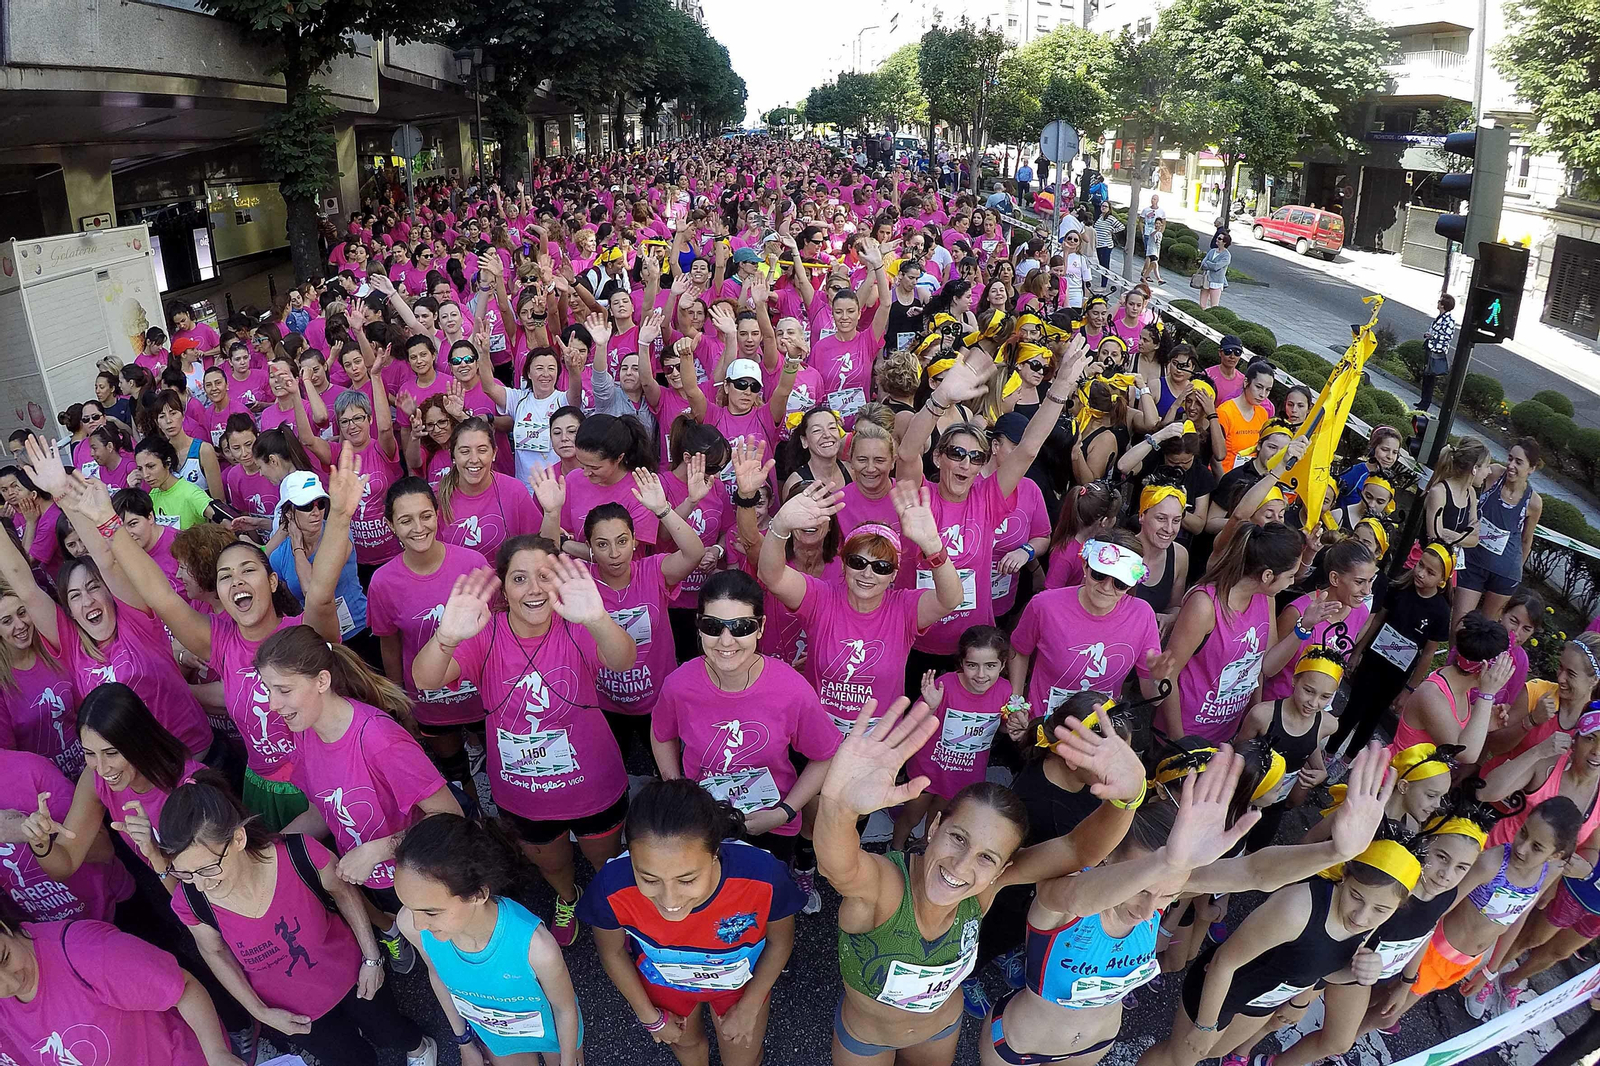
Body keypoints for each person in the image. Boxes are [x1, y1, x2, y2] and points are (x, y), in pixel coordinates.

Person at [983, 741, 1395, 1066]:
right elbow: (1080, 893)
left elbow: (1252, 873)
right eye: (1139, 888)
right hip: (1018, 1045)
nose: (1149, 910)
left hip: (1095, 1046)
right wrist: (1167, 863)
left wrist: (1334, 853)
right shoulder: (1061, 899)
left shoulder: (1167, 884)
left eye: (1165, 894)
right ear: (1106, 860)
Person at [820, 695, 1147, 1066]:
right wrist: (838, 806)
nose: (961, 867)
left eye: (987, 858)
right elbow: (839, 866)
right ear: (936, 825)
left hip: (940, 1030)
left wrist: (1129, 798)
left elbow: (1076, 850)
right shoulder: (885, 887)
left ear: (1003, 869)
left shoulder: (985, 890)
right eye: (958, 838)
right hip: (867, 1040)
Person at [49, 447, 353, 828]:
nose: (237, 581)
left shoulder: (300, 631)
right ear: (218, 591)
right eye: (225, 576)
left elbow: (322, 593)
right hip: (260, 785)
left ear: (272, 581)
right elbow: (160, 595)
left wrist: (339, 518)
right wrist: (107, 522)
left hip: (327, 782)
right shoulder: (220, 642)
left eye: (248, 570)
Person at [411, 538, 637, 947]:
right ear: (503, 588)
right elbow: (426, 680)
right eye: (519, 579)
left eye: (544, 577)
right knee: (551, 861)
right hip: (524, 793)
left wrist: (599, 618)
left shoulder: (577, 622)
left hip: (593, 783)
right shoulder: (486, 634)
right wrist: (446, 637)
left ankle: (611, 903)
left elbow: (623, 659)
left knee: (604, 858)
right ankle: (568, 896)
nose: (533, 589)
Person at [159, 780, 438, 1066]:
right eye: (186, 874)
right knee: (349, 1059)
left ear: (238, 839)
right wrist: (259, 1011)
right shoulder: (193, 901)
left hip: (350, 974)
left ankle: (418, 1047)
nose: (201, 885)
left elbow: (344, 893)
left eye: (208, 868)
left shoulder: (298, 854)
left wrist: (372, 958)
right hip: (293, 1010)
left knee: (390, 1030)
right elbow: (213, 951)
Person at [256, 625, 462, 971]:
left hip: (424, 878)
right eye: (268, 690)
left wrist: (379, 849)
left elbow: (449, 816)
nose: (273, 705)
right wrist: (269, 849)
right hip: (372, 878)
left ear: (322, 681)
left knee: (449, 964)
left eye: (284, 690)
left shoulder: (379, 739)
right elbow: (323, 810)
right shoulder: (306, 734)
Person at [582, 778, 803, 1066]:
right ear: (631, 858)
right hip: (664, 984)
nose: (669, 899)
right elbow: (611, 952)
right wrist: (649, 1017)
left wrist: (750, 1008)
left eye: (687, 879)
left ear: (715, 853)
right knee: (687, 1048)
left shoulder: (763, 877)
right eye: (648, 879)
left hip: (741, 987)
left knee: (743, 1058)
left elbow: (780, 941)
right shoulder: (611, 887)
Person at [1138, 837, 1416, 1066]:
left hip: (1260, 1003)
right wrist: (1204, 1026)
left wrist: (1360, 973)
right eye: (1356, 897)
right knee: (1177, 1060)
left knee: (1213, 1053)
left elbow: (1323, 966)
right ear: (1344, 876)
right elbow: (1224, 963)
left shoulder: (1370, 922)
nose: (1362, 916)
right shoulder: (1296, 909)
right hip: (1220, 991)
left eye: (1380, 910)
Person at [757, 479, 962, 733]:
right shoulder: (821, 598)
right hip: (820, 736)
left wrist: (933, 546)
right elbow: (772, 576)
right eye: (857, 562)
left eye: (881, 567)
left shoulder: (904, 608)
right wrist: (780, 526)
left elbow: (950, 599)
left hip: (877, 744)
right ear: (843, 565)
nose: (868, 573)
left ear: (894, 575)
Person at [367, 478, 488, 806]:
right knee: (455, 771)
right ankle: (474, 824)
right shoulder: (383, 582)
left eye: (425, 516)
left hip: (484, 695)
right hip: (430, 702)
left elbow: (497, 630)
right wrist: (400, 701)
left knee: (502, 765)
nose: (418, 528)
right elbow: (389, 644)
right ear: (390, 525)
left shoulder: (472, 564)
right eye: (405, 520)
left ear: (438, 515)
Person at [0, 914, 242, 1066]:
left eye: (5, 958)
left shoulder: (87, 951)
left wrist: (217, 1054)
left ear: (4, 928)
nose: (11, 983)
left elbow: (184, 988)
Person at [1160, 522, 1306, 742]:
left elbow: (1263, 665)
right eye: (1290, 575)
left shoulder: (1266, 598)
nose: (1292, 582)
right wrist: (1180, 744)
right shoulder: (1204, 605)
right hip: (1186, 732)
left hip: (1228, 731)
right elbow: (1168, 674)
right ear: (1267, 575)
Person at [1010, 529, 1167, 717]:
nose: (1107, 587)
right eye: (1099, 575)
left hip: (1098, 734)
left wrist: (1158, 678)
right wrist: (1016, 703)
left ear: (1132, 583)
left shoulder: (1142, 615)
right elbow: (1019, 650)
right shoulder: (1044, 605)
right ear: (1085, 566)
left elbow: (1155, 698)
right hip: (1044, 728)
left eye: (1120, 583)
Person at [893, 627, 1016, 852]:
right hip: (927, 768)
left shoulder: (1005, 690)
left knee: (939, 820)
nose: (981, 675)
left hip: (963, 775)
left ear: (1003, 665)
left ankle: (925, 848)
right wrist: (929, 705)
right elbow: (915, 725)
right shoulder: (945, 685)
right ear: (961, 663)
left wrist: (1015, 726)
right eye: (972, 665)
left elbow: (1004, 728)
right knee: (911, 816)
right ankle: (895, 848)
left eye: (990, 666)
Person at [1332, 543, 1453, 753]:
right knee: (1352, 708)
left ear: (1442, 580)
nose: (1421, 573)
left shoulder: (1441, 612)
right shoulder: (1399, 589)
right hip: (1372, 662)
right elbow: (1377, 621)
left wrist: (1409, 689)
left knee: (1372, 717)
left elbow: (1428, 653)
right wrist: (1357, 652)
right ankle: (1330, 751)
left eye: (1430, 572)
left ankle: (1347, 759)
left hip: (1396, 676)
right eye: (1420, 565)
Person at [1389, 610, 1514, 763]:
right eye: (1501, 667)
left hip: (1420, 780)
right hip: (1396, 779)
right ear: (1485, 667)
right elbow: (1466, 754)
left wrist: (1485, 723)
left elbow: (1457, 731)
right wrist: (1487, 696)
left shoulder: (1459, 687)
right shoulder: (1433, 695)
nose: (1502, 674)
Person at [1460, 438, 1543, 621]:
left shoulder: (1533, 502)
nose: (1511, 465)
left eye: (1519, 462)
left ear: (1532, 468)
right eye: (1510, 458)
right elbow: (1465, 479)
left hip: (1504, 573)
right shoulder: (1494, 473)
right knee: (1459, 624)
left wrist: (1515, 573)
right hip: (1473, 561)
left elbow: (1526, 540)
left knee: (1483, 633)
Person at [1419, 294, 1457, 411]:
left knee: (1430, 377)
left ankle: (1426, 404)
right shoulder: (1440, 317)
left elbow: (1447, 337)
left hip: (1437, 351)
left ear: (1443, 305)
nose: (1437, 303)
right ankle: (1422, 401)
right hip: (1430, 348)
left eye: (1439, 302)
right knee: (1426, 376)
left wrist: (1433, 336)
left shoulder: (1449, 320)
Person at [1198, 234, 1232, 310]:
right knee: (1202, 304)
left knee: (1214, 306)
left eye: (1219, 238)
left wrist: (1208, 263)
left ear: (1225, 242)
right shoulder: (1212, 251)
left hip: (1216, 282)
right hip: (1206, 279)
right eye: (1217, 238)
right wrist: (1209, 264)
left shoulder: (1226, 255)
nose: (1217, 239)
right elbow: (1203, 263)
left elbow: (1216, 266)